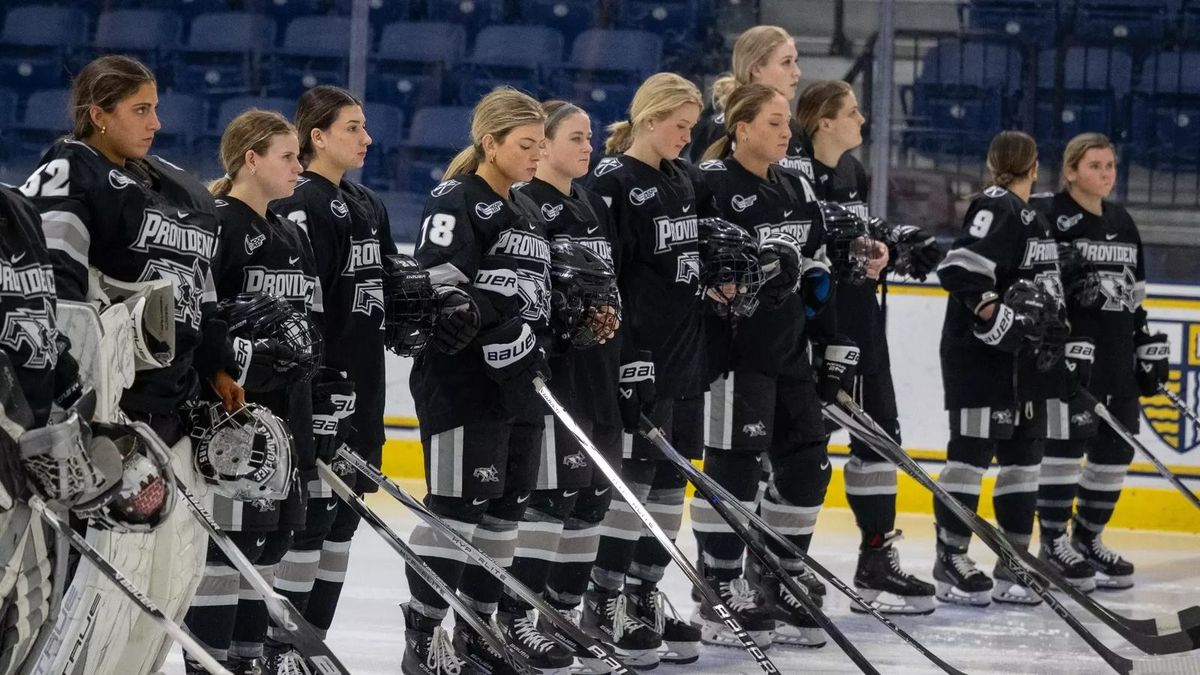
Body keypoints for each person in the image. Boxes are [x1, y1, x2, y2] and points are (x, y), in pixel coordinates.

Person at [21, 54, 217, 675]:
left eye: (156, 108)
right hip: (103, 421)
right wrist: (74, 406)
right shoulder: (69, 172)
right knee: (95, 587)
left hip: (168, 413)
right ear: (96, 115)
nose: (156, 124)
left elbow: (196, 297)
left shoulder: (169, 188)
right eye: (140, 110)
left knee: (161, 583)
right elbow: (57, 301)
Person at [402, 86, 554, 674]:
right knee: (457, 510)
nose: (537, 155)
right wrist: (498, 321)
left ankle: (477, 628)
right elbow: (440, 292)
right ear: (489, 143)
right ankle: (423, 636)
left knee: (505, 512)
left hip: (521, 380)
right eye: (525, 144)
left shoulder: (529, 207)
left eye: (542, 144)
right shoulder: (454, 198)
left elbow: (530, 291)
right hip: (462, 381)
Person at [691, 82, 832, 647]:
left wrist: (825, 326)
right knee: (735, 471)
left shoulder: (797, 183)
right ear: (740, 128)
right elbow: (694, 271)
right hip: (734, 356)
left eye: (787, 123)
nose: (786, 132)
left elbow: (819, 264)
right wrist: (737, 281)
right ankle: (718, 588)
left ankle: (777, 576)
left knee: (807, 469)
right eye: (774, 123)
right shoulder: (709, 185)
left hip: (790, 352)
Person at [181, 108, 319, 675]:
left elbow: (309, 323)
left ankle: (247, 659)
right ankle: (209, 663)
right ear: (251, 159)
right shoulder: (217, 224)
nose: (298, 166)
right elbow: (200, 315)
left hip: (286, 408)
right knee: (226, 547)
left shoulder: (290, 231)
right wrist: (228, 366)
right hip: (234, 416)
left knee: (270, 544)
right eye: (287, 156)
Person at [797, 80, 941, 614]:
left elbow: (860, 232)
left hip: (863, 325)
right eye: (853, 112)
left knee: (880, 441)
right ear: (823, 122)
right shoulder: (795, 170)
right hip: (819, 329)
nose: (864, 120)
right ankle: (781, 566)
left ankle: (877, 558)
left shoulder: (852, 171)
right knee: (800, 452)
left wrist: (887, 245)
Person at [582, 72, 710, 668]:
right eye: (679, 125)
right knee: (630, 483)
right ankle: (603, 599)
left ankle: (643, 593)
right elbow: (607, 280)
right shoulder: (612, 181)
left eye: (692, 126)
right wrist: (628, 358)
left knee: (667, 484)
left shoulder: (680, 178)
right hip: (639, 359)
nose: (687, 137)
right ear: (649, 118)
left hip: (685, 358)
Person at [267, 85, 397, 671]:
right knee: (311, 522)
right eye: (352, 127)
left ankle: (309, 646)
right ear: (316, 137)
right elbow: (299, 309)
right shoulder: (302, 204)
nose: (366, 138)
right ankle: (280, 647)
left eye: (364, 126)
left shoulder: (368, 203)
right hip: (320, 392)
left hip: (366, 389)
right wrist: (315, 389)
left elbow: (389, 288)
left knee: (344, 521)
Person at [506, 100, 627, 672]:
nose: (588, 147)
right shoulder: (529, 207)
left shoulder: (592, 201)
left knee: (590, 504)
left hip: (598, 375)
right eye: (575, 138)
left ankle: (562, 613)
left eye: (590, 138)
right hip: (558, 376)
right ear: (544, 144)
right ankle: (519, 618)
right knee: (550, 502)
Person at [934, 130, 1071, 607]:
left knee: (1022, 458)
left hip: (1022, 360)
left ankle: (1015, 560)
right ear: (1035, 166)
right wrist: (994, 312)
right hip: (980, 358)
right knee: (970, 454)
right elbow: (960, 270)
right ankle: (950, 558)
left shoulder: (1034, 217)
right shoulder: (997, 203)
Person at [1033, 133, 1160, 590]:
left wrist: (1146, 346)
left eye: (1110, 166)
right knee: (1065, 449)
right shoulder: (1049, 216)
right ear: (1070, 171)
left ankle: (1087, 537)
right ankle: (1052, 542)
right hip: (1070, 358)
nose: (1105, 174)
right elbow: (1034, 284)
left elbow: (1136, 298)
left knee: (1115, 450)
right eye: (1095, 166)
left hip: (1117, 356)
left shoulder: (1123, 220)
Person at [689, 25, 810, 180]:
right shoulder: (723, 128)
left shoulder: (796, 129)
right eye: (786, 62)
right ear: (756, 68)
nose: (797, 72)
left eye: (796, 61)